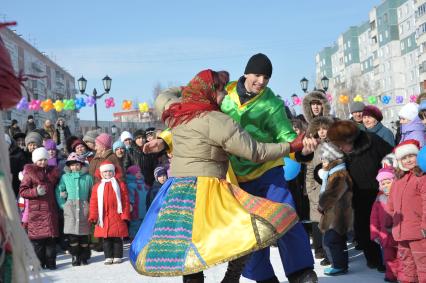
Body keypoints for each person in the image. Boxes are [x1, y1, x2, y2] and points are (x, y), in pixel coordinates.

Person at [130, 69, 303, 283]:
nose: (225, 96)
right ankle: (231, 277)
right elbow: (255, 152)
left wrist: (191, 89)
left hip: (178, 191)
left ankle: (213, 279)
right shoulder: (217, 121)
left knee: (187, 243)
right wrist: (290, 146)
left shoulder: (177, 114)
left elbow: (163, 95)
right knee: (245, 230)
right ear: (211, 92)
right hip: (208, 190)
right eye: (221, 91)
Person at [222, 54, 316, 283]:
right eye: (257, 75)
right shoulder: (223, 97)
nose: (262, 81)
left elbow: (286, 136)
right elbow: (197, 118)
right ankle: (263, 277)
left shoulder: (271, 104)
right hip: (235, 177)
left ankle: (300, 271)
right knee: (249, 231)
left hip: (267, 171)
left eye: (266, 77)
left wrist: (302, 149)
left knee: (284, 216)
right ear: (246, 73)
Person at [326, 120, 392, 271]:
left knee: (384, 227)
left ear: (351, 139)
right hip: (356, 196)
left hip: (379, 193)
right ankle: (373, 259)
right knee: (363, 229)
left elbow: (391, 157)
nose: (341, 148)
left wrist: (388, 177)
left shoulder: (372, 140)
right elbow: (326, 173)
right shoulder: (337, 151)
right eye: (338, 145)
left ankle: (388, 260)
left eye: (343, 144)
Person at [387, 140, 426, 283]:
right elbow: (391, 204)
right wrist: (389, 221)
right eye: (404, 157)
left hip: (419, 233)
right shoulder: (398, 180)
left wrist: (424, 226)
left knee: (423, 265)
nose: (408, 160)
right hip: (401, 233)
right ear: (399, 161)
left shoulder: (422, 178)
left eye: (411, 155)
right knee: (407, 266)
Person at [19, 147, 60, 270]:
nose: (42, 162)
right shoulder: (30, 173)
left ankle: (51, 262)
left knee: (51, 240)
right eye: (40, 160)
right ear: (35, 161)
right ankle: (39, 264)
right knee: (38, 242)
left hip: (50, 211)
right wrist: (35, 191)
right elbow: (23, 191)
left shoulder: (52, 173)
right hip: (36, 213)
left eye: (45, 159)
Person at [300, 116, 334, 264]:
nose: (321, 132)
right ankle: (323, 251)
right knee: (319, 223)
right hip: (317, 191)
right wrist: (311, 190)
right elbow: (309, 171)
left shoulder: (336, 146)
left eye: (324, 129)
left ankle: (334, 255)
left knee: (332, 225)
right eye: (318, 129)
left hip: (332, 191)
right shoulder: (313, 147)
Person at [317, 142, 352, 276]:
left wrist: (322, 205)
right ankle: (340, 264)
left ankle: (339, 265)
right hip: (335, 212)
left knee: (331, 240)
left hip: (337, 213)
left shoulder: (338, 174)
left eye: (325, 159)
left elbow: (332, 194)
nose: (322, 162)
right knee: (337, 240)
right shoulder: (333, 172)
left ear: (333, 159)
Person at [88, 161, 130, 265]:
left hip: (117, 215)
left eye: (110, 172)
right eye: (105, 172)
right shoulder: (97, 187)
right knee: (106, 239)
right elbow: (93, 202)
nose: (108, 174)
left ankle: (117, 256)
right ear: (101, 173)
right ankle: (108, 256)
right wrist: (93, 215)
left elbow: (125, 200)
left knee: (117, 238)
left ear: (114, 172)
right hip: (103, 217)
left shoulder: (120, 185)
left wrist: (125, 214)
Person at [56, 153, 94, 266]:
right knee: (72, 236)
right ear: (69, 166)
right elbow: (59, 191)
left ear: (81, 165)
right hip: (70, 208)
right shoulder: (65, 177)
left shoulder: (88, 177)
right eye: (72, 165)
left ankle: (84, 256)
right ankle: (75, 256)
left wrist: (91, 206)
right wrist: (63, 204)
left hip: (84, 208)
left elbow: (93, 193)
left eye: (77, 165)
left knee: (84, 235)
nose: (75, 167)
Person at [370, 167, 398, 282]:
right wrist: (374, 234)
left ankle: (402, 276)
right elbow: (374, 218)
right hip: (384, 236)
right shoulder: (379, 199)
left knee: (402, 257)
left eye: (389, 182)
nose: (386, 185)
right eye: (383, 183)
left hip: (399, 235)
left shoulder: (398, 195)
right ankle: (391, 275)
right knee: (388, 258)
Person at [125, 165, 147, 239]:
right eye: (136, 172)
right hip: (135, 210)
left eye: (140, 172)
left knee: (144, 225)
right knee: (135, 225)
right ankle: (134, 239)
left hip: (145, 209)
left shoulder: (144, 184)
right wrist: (130, 205)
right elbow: (130, 197)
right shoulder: (131, 185)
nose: (139, 173)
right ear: (132, 174)